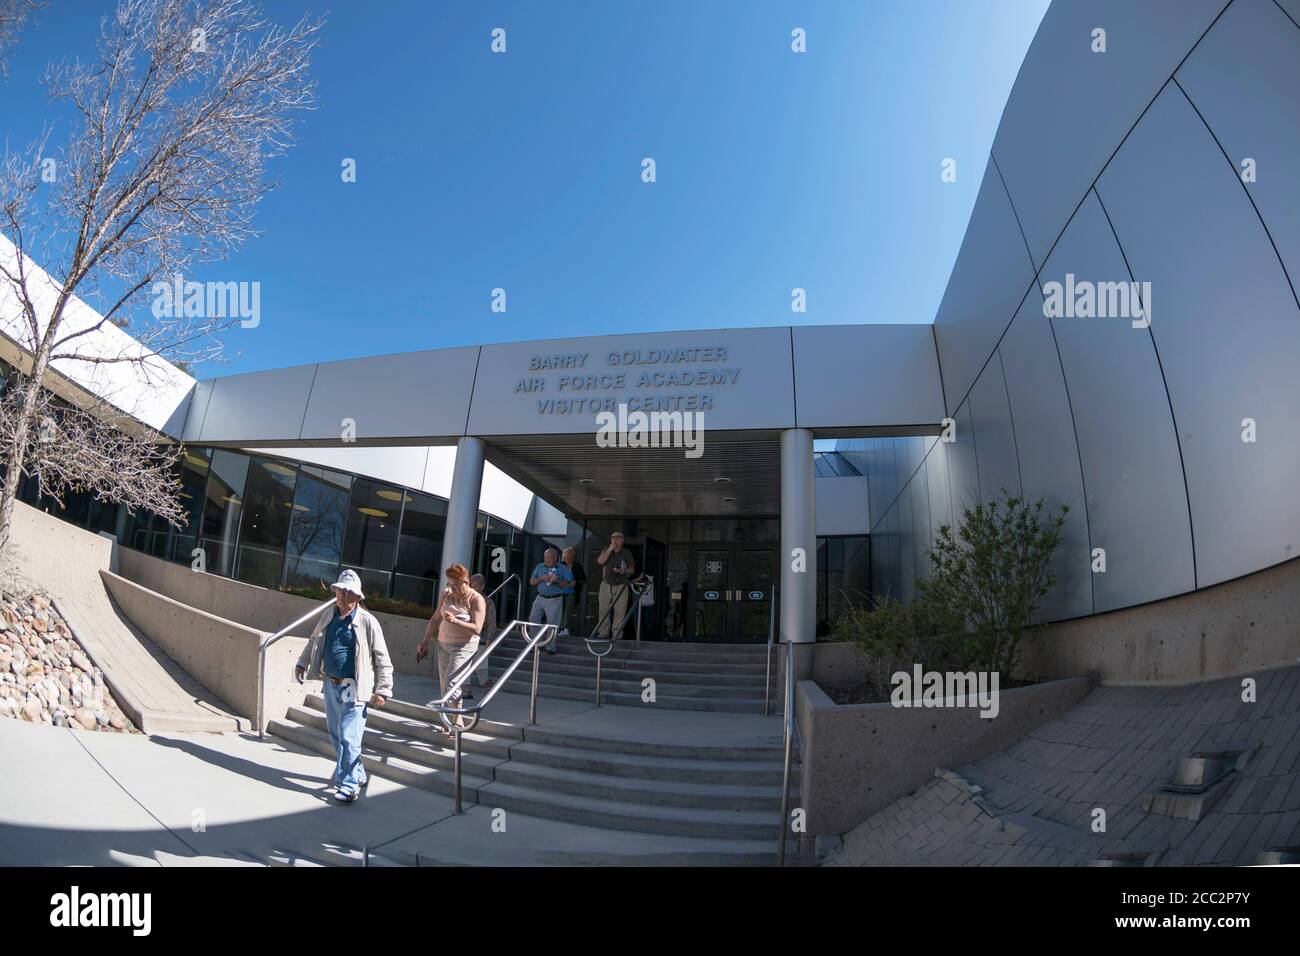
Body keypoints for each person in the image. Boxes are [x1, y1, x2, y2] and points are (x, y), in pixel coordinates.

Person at [294, 569, 393, 804]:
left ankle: (348, 785)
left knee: (350, 736)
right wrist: (302, 662)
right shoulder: (329, 615)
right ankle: (357, 773)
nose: (342, 596)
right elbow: (314, 639)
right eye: (340, 591)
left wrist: (382, 689)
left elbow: (382, 657)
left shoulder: (368, 621)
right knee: (337, 734)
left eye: (348, 593)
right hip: (331, 683)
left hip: (353, 686)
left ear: (357, 598)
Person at [416, 564, 486, 732]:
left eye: (456, 585)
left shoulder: (476, 599)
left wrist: (456, 621)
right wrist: (424, 641)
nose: (452, 588)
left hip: (464, 646)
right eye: (449, 584)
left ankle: (458, 720)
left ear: (466, 583)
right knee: (444, 684)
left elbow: (477, 628)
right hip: (443, 644)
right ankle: (449, 721)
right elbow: (434, 619)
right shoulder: (447, 595)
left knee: (452, 683)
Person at [528, 547, 573, 654]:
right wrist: (541, 578)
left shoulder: (562, 568)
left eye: (550, 558)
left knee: (552, 623)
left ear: (556, 558)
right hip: (540, 598)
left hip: (555, 599)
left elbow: (568, 585)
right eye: (545, 557)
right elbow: (532, 582)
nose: (547, 560)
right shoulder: (539, 566)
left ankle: (550, 647)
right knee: (533, 618)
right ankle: (534, 645)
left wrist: (557, 581)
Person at [596, 532, 635, 640]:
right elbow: (600, 561)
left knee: (620, 611)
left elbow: (632, 570)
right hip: (606, 584)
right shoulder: (606, 550)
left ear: (622, 540)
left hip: (621, 585)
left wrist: (623, 571)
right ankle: (603, 633)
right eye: (613, 538)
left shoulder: (626, 553)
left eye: (618, 538)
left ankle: (617, 634)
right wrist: (609, 550)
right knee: (603, 609)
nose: (615, 540)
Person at [466, 572, 498, 697]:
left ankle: (488, 687)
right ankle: (466, 690)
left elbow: (491, 622)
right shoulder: (466, 600)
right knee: (464, 665)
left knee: (481, 667)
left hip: (481, 638)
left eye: (477, 587)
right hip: (466, 637)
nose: (474, 589)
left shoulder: (488, 602)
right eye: (472, 586)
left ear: (482, 587)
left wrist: (489, 639)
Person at [561, 546, 586, 635]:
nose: (567, 558)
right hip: (560, 592)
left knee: (568, 610)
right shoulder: (560, 565)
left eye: (569, 556)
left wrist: (576, 582)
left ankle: (566, 629)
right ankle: (560, 629)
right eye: (565, 557)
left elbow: (583, 579)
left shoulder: (577, 566)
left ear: (573, 556)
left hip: (572, 591)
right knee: (560, 610)